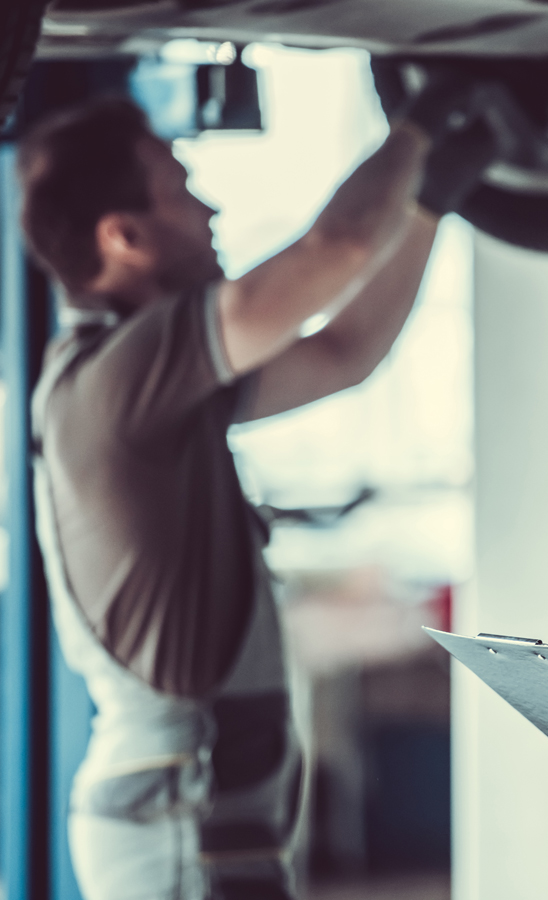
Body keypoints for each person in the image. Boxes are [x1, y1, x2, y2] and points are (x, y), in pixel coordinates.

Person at [18, 77, 495, 900]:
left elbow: (344, 352)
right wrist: (416, 129)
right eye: (181, 189)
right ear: (124, 236)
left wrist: (435, 198)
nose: (211, 210)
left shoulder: (157, 383)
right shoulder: (119, 374)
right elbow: (335, 251)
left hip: (196, 811)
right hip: (178, 821)